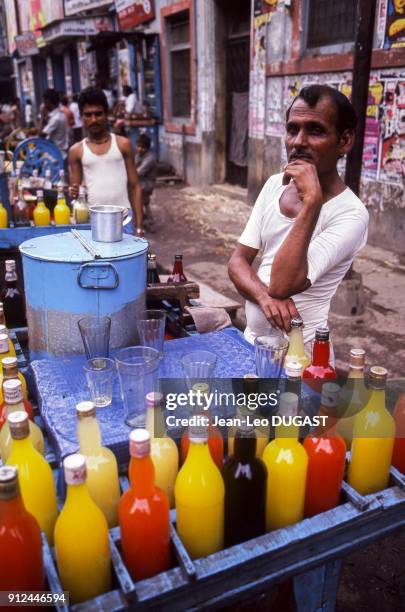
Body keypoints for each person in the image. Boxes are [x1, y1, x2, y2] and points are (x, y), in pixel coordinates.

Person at [228, 85, 369, 350]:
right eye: (293, 129)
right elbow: (237, 262)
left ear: (345, 141)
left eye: (315, 130)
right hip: (252, 345)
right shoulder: (274, 185)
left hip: (303, 360)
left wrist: (312, 202)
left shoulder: (351, 214)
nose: (298, 142)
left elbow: (282, 285)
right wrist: (264, 298)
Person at [68, 86, 143, 236]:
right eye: (88, 115)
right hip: (93, 221)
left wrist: (139, 228)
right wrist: (72, 191)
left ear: (107, 114)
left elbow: (135, 187)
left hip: (125, 219)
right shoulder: (76, 151)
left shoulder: (123, 144)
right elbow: (76, 196)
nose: (93, 119)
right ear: (81, 117)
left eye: (98, 114)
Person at [33, 89, 68, 158]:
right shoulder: (58, 115)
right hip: (57, 151)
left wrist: (42, 116)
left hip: (55, 154)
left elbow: (41, 135)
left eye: (44, 102)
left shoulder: (56, 118)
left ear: (48, 102)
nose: (43, 105)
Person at [135, 133, 157, 230]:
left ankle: (149, 222)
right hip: (140, 182)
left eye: (142, 147)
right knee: (143, 202)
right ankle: (144, 220)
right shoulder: (139, 155)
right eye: (138, 146)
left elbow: (137, 172)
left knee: (144, 202)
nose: (139, 149)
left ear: (147, 148)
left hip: (146, 184)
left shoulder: (150, 158)